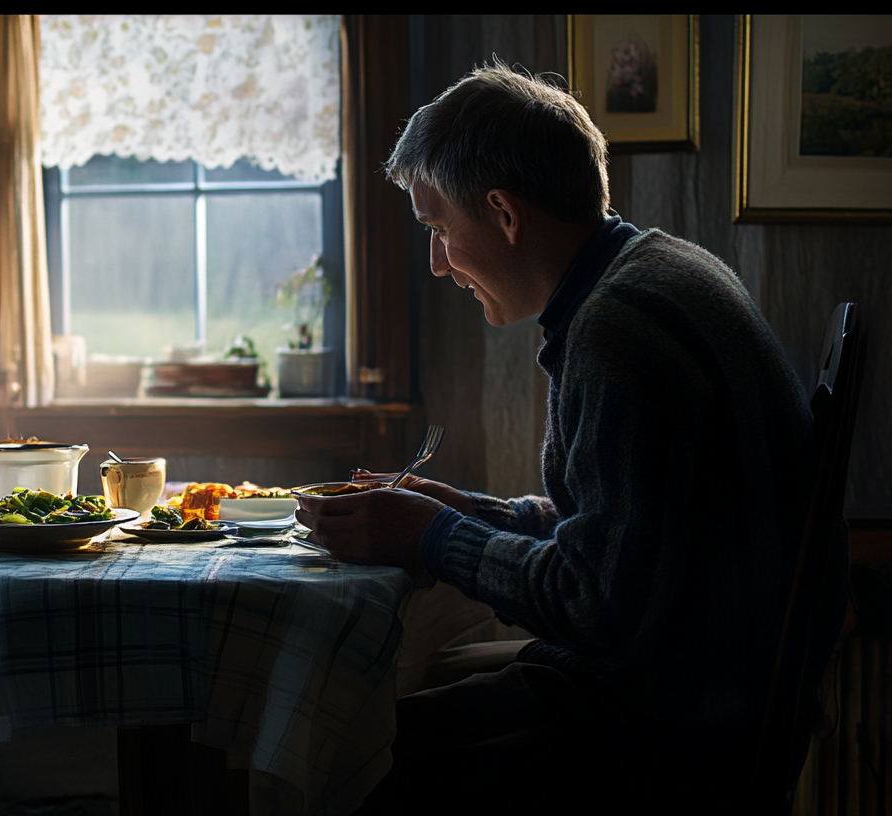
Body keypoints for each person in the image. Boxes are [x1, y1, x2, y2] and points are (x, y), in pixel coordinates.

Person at [296, 63, 840, 812]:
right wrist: (466, 511)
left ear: (505, 216)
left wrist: (435, 538)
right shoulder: (655, 270)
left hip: (675, 728)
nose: (436, 263)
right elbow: (626, 535)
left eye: (438, 229)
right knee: (397, 692)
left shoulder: (619, 334)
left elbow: (597, 604)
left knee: (348, 753)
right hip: (701, 676)